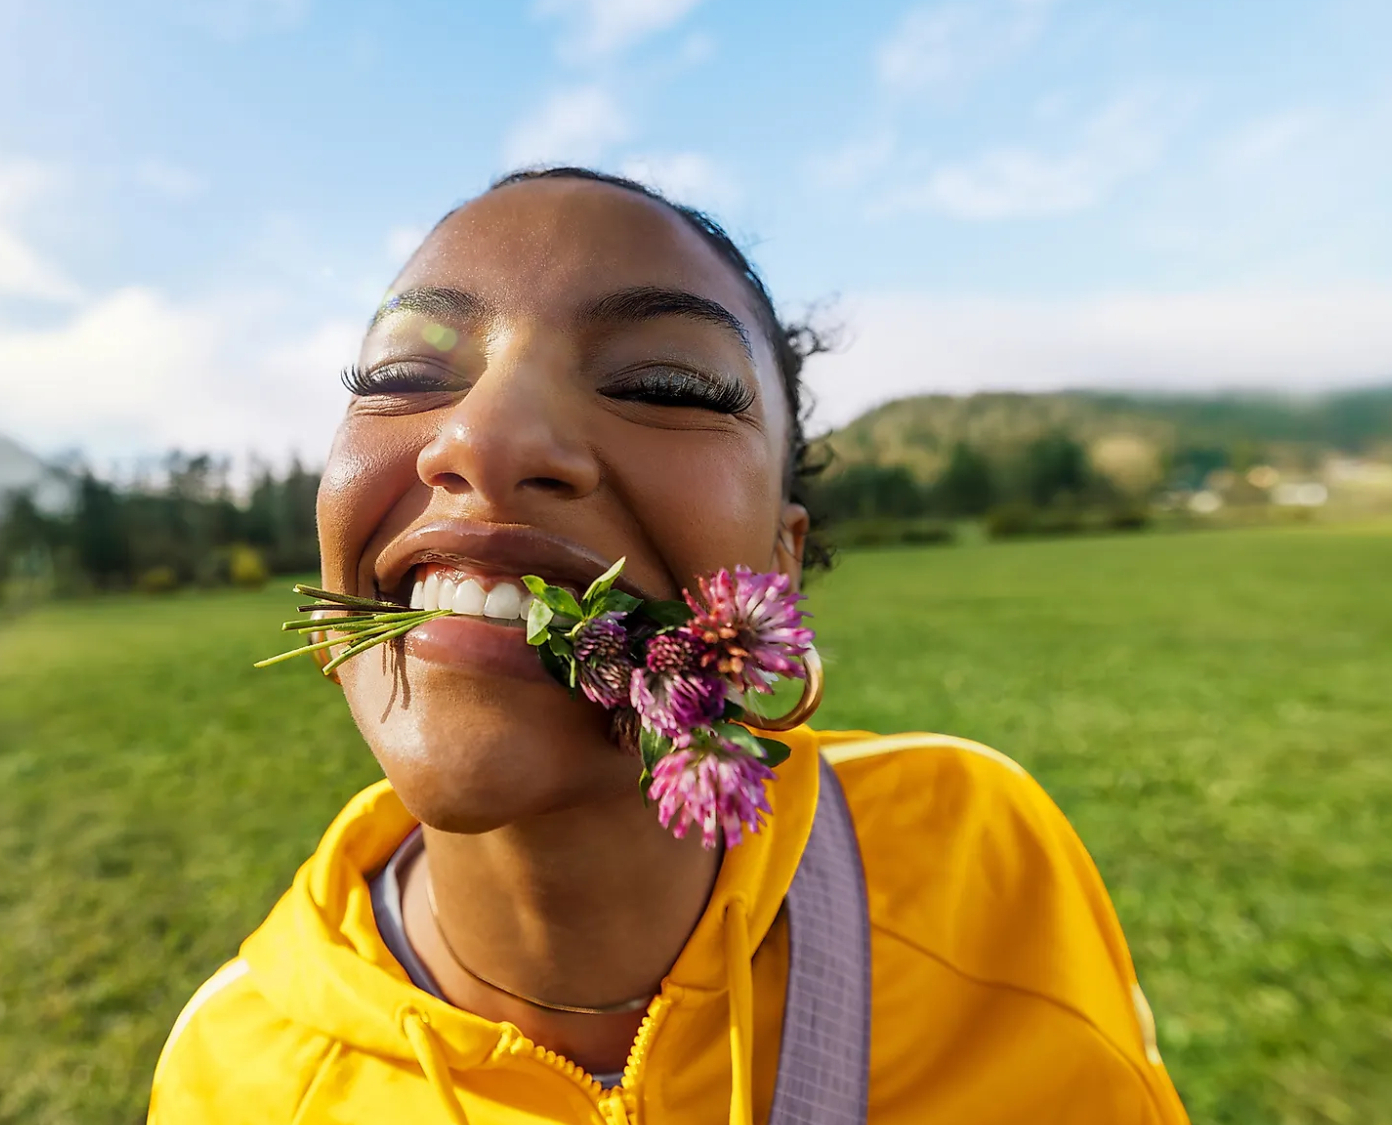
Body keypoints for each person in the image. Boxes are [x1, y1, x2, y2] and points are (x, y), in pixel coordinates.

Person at [147, 167, 1189, 1124]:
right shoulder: (225, 1073)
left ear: (777, 569)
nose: (483, 436)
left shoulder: (983, 859)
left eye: (663, 386)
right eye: (399, 375)